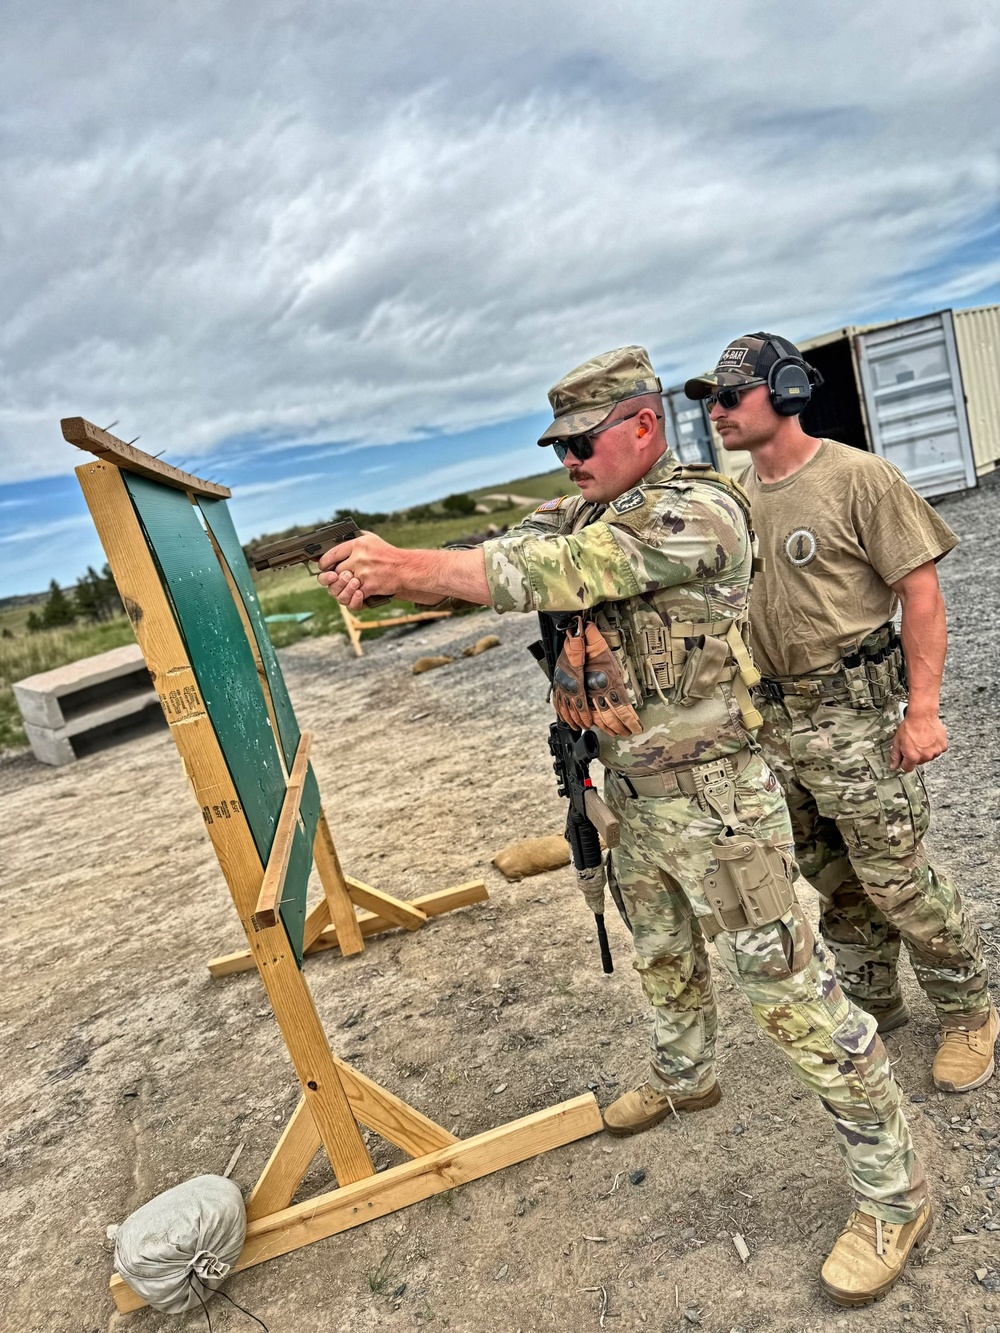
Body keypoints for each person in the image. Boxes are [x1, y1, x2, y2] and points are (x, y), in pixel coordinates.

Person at [319, 345, 930, 1305]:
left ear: (644, 427)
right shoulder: (587, 506)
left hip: (722, 809)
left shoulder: (698, 510)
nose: (567, 461)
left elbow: (560, 567)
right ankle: (687, 1075)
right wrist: (395, 570)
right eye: (557, 447)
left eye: (583, 441)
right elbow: (515, 550)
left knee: (795, 999)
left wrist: (413, 565)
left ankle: (895, 1192)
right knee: (661, 955)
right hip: (634, 797)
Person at [685, 333, 995, 1095]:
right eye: (710, 402)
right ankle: (874, 995)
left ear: (787, 390)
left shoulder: (859, 478)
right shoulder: (734, 504)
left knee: (896, 877)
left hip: (853, 716)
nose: (717, 412)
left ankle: (967, 1008)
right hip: (775, 721)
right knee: (829, 873)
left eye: (731, 396)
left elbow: (921, 594)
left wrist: (922, 711)